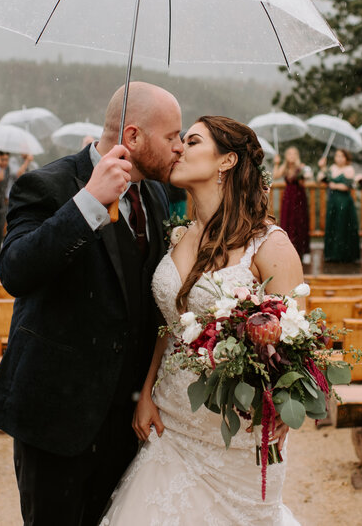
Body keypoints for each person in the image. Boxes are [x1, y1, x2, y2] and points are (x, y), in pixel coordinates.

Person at [0, 82, 184, 525]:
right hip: (58, 418)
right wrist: (87, 203)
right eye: (171, 136)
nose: (179, 147)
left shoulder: (153, 194)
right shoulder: (47, 184)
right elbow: (15, 271)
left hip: (126, 420)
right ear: (132, 137)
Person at [101, 116, 303, 524]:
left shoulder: (270, 244)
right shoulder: (179, 236)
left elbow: (296, 341)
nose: (179, 149)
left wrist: (286, 402)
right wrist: (146, 393)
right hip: (171, 423)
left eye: (192, 142)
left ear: (226, 161)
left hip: (236, 434)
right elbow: (170, 325)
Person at [0, 150, 33, 270]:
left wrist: (27, 161)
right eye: (2, 160)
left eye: (6, 160)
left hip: (1, 204)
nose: (4, 162)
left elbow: (14, 179)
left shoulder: (8, 169)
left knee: (0, 233)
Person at [318, 149, 361, 263]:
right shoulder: (332, 168)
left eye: (342, 156)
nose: (339, 158)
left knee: (343, 225)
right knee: (333, 225)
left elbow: (347, 186)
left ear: (346, 158)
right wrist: (322, 167)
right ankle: (332, 254)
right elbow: (322, 178)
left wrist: (335, 186)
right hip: (333, 202)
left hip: (344, 202)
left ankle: (345, 255)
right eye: (337, 156)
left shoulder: (349, 169)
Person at [272, 146, 311, 261]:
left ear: (297, 156)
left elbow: (304, 181)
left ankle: (304, 251)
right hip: (288, 197)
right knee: (288, 222)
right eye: (289, 154)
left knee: (300, 222)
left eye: (294, 154)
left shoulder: (301, 167)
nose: (292, 156)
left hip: (299, 197)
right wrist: (276, 163)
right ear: (286, 156)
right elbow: (275, 176)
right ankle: (287, 250)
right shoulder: (285, 168)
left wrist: (303, 176)